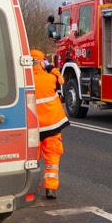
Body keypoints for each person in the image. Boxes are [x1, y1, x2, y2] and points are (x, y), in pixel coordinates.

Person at [31, 49, 70, 198]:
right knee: (52, 158)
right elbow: (60, 78)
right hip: (52, 126)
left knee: (33, 160)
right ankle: (51, 189)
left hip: (33, 128)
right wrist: (49, 67)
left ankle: (33, 188)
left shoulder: (24, 80)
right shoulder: (50, 78)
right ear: (41, 62)